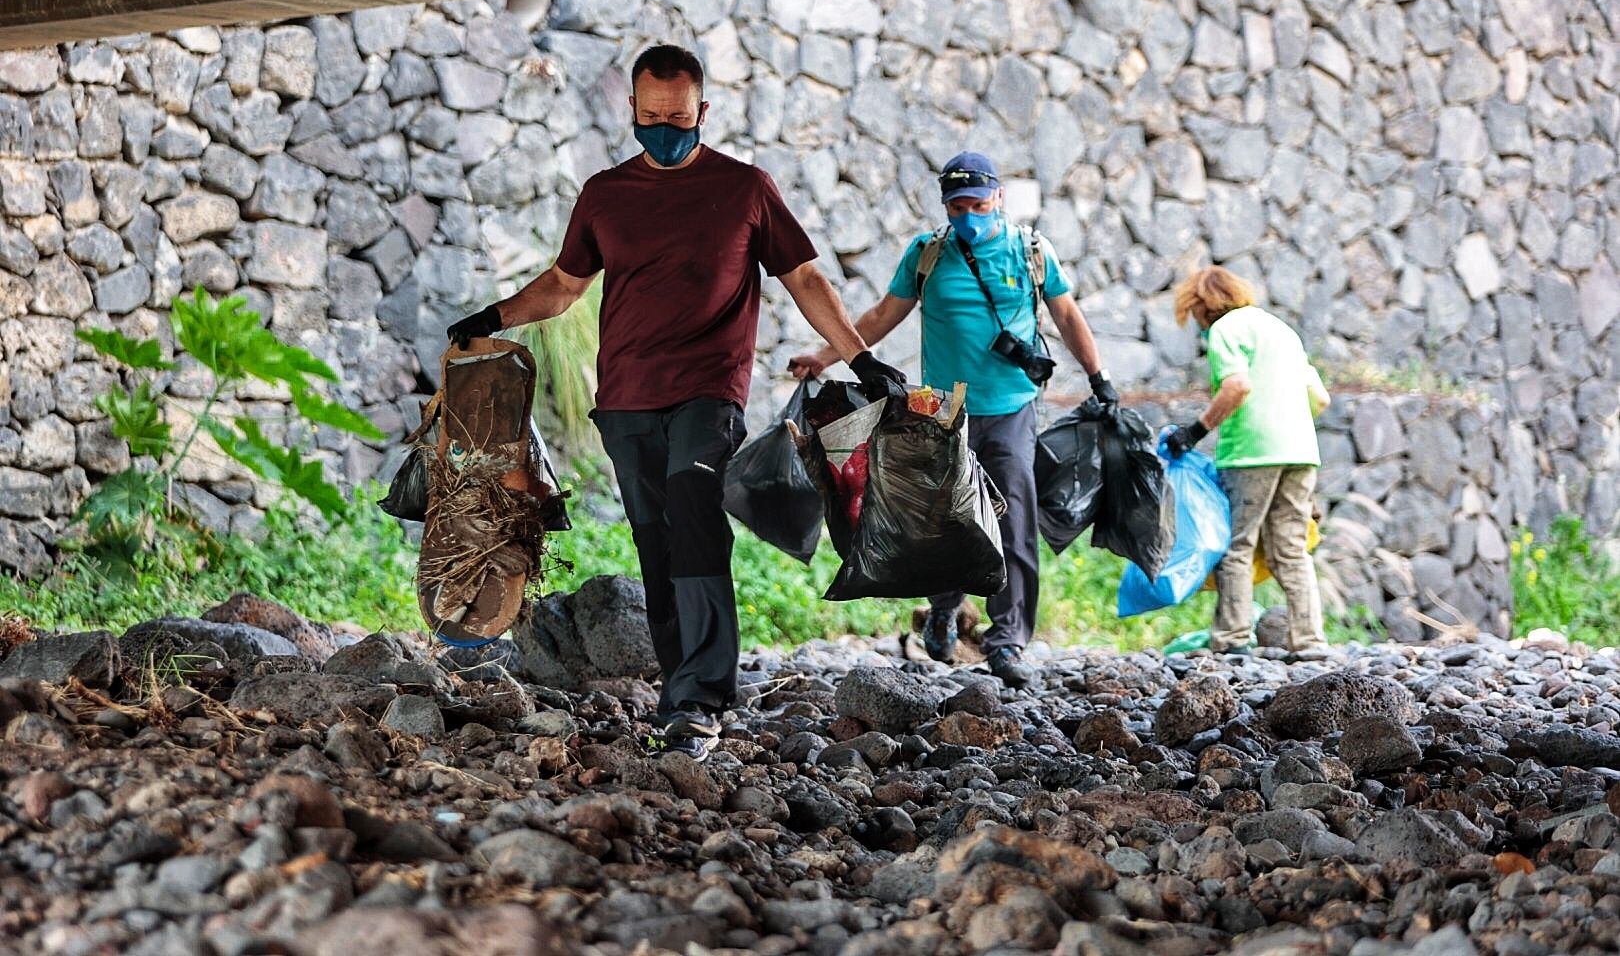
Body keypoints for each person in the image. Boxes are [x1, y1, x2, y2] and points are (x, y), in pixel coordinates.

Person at [447, 44, 902, 759]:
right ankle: (677, 690)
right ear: (631, 109)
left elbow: (806, 278)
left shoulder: (746, 188)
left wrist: (861, 357)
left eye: (680, 117)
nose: (666, 127)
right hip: (626, 398)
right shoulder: (605, 194)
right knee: (656, 539)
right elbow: (565, 286)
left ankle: (701, 698)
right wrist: (492, 317)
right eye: (653, 115)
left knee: (694, 510)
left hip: (708, 389)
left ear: (702, 112)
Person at [790, 152, 1116, 688]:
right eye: (957, 205)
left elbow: (1067, 314)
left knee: (1013, 521)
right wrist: (825, 357)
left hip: (1011, 406)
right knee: (941, 518)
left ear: (999, 198)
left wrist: (1099, 376)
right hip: (942, 412)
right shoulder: (928, 254)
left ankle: (1007, 639)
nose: (968, 214)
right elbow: (879, 316)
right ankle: (943, 609)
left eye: (978, 204)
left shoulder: (1031, 251)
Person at [1166, 266, 1331, 655]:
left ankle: (1233, 638)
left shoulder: (1226, 330)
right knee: (1291, 549)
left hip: (1250, 454)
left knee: (1237, 545)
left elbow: (1237, 385)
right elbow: (1320, 399)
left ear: (1203, 306)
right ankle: (1310, 641)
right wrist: (1287, 430)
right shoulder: (1281, 330)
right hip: (1302, 452)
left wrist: (1195, 430)